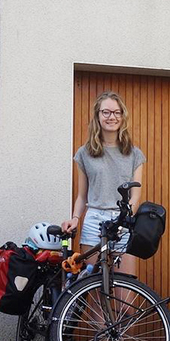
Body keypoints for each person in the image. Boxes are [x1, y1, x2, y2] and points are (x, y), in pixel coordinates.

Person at [61, 91, 146, 274]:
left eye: (116, 112)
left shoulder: (134, 154)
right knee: (92, 284)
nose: (111, 117)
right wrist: (75, 218)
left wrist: (125, 218)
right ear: (97, 116)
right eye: (106, 112)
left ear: (122, 116)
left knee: (125, 285)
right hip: (94, 221)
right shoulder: (84, 153)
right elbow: (82, 196)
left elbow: (135, 196)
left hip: (122, 222)